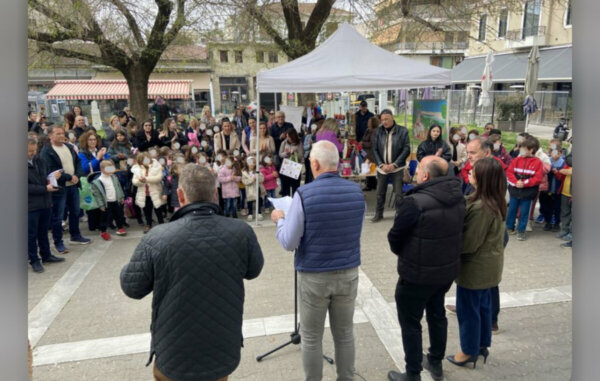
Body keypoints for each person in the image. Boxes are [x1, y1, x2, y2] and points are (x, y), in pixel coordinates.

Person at [120, 164, 264, 381]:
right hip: (221, 343)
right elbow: (254, 270)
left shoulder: (157, 237)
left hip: (174, 349)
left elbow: (132, 287)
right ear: (215, 194)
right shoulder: (241, 232)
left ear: (180, 195)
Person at [271, 140, 366, 381]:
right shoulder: (356, 192)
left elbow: (289, 242)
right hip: (348, 272)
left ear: (314, 163)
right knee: (345, 334)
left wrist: (280, 220)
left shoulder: (305, 194)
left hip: (314, 275)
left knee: (312, 337)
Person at [386, 156, 465, 381]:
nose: (416, 170)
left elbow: (395, 238)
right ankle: (435, 362)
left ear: (425, 175)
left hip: (416, 275)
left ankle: (412, 374)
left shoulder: (415, 202)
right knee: (436, 314)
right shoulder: (458, 197)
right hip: (445, 272)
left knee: (411, 323)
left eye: (418, 167)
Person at [446, 157, 506, 371]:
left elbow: (469, 243)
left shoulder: (481, 207)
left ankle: (468, 351)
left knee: (468, 311)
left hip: (476, 269)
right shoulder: (493, 200)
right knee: (482, 307)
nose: (468, 174)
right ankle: (481, 345)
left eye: (472, 172)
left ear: (483, 179)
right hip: (489, 267)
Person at [41, 125, 91, 254]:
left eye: (62, 133)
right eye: (58, 134)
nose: (61, 136)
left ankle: (75, 235)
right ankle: (58, 242)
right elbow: (50, 170)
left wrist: (77, 175)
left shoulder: (69, 147)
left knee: (75, 211)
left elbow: (78, 163)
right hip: (60, 188)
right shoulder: (47, 151)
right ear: (50, 136)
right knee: (58, 217)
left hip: (73, 186)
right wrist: (69, 177)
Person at [28, 137, 65, 273]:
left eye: (34, 150)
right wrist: (45, 188)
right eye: (29, 151)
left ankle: (46, 255)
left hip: (45, 202)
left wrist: (51, 178)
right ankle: (34, 260)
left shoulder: (39, 160)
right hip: (30, 206)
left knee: (43, 232)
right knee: (31, 235)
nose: (32, 153)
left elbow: (43, 177)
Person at [371, 109, 411, 222]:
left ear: (392, 118)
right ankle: (378, 214)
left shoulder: (403, 131)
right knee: (380, 193)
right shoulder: (377, 132)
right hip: (382, 168)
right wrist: (380, 164)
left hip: (397, 168)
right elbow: (374, 149)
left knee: (398, 194)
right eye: (382, 119)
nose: (384, 122)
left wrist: (395, 164)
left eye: (387, 119)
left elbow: (406, 149)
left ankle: (399, 215)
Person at [506, 136, 544, 241]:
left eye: (524, 148)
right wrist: (516, 182)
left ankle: (521, 230)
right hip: (515, 190)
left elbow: (537, 178)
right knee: (512, 210)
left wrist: (525, 183)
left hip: (528, 192)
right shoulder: (516, 160)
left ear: (531, 150)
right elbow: (509, 172)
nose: (521, 150)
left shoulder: (537, 162)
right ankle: (509, 227)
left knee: (524, 212)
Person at [89, 160, 128, 240]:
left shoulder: (114, 177)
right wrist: (101, 205)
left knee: (118, 215)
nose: (112, 171)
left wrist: (121, 197)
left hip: (115, 200)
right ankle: (103, 231)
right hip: (106, 203)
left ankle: (120, 227)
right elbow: (97, 195)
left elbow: (118, 188)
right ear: (102, 169)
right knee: (105, 217)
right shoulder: (98, 181)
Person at [131, 152, 165, 233]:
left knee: (158, 209)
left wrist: (147, 179)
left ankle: (161, 223)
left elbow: (159, 178)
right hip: (144, 194)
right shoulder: (137, 168)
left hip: (155, 192)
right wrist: (140, 181)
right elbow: (134, 181)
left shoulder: (156, 166)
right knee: (147, 210)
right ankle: (148, 224)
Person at [278, 128, 304, 197]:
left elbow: (301, 156)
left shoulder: (299, 143)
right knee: (285, 188)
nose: (287, 138)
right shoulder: (284, 142)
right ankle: (285, 204)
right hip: (286, 167)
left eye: (288, 136)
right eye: (286, 136)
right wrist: (287, 153)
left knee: (295, 188)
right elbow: (280, 154)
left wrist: (294, 153)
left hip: (295, 168)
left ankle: (294, 203)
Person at [555, 149, 572, 247]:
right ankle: (564, 230)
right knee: (565, 212)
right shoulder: (569, 160)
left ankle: (572, 233)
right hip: (565, 191)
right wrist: (559, 172)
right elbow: (567, 160)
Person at [242, 156, 264, 221]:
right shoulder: (244, 172)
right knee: (250, 201)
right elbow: (245, 182)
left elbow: (262, 179)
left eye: (253, 163)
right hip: (249, 190)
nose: (252, 164)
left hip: (257, 188)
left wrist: (257, 178)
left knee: (258, 200)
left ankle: (259, 212)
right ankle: (250, 213)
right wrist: (252, 179)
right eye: (250, 163)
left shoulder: (257, 171)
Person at [361, 116, 379, 191]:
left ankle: (370, 185)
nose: (368, 123)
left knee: (369, 168)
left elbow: (372, 144)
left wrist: (363, 144)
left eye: (369, 122)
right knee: (368, 167)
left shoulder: (374, 131)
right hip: (365, 152)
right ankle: (371, 184)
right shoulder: (367, 130)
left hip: (370, 153)